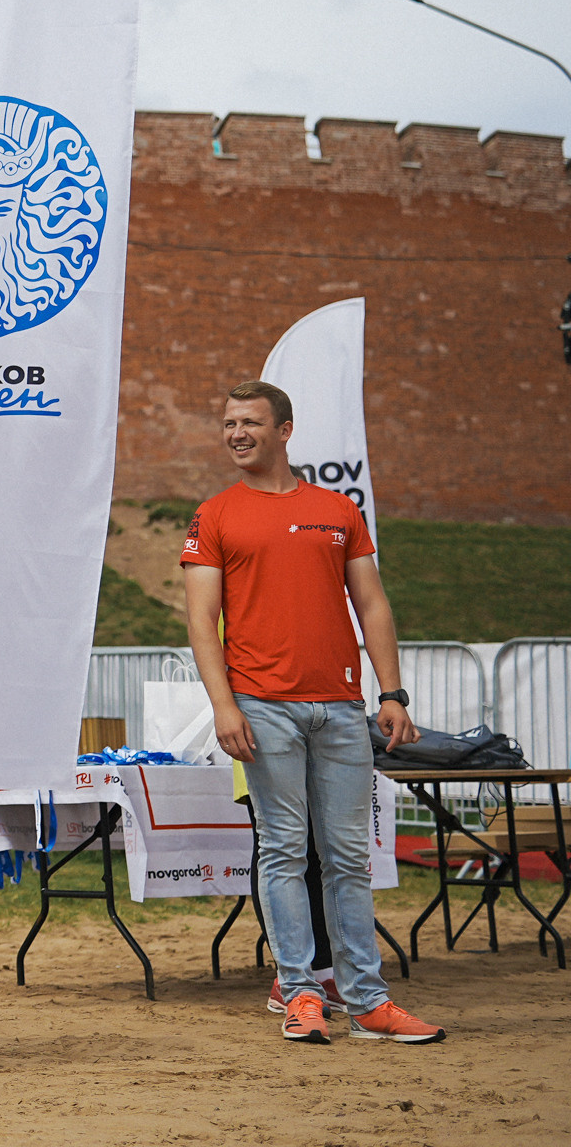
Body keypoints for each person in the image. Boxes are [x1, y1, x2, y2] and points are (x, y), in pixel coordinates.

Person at [181, 379, 445, 1044]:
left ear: (284, 431)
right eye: (228, 423)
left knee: (348, 859)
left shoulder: (337, 510)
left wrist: (392, 694)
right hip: (262, 709)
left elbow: (373, 604)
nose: (236, 433)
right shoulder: (213, 515)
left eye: (249, 422)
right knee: (284, 853)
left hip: (341, 708)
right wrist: (223, 705)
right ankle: (299, 992)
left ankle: (368, 1002)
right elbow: (200, 620)